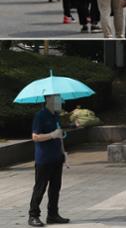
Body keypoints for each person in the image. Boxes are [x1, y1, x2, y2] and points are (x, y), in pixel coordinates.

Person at [28, 95, 70, 227]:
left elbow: (59, 135)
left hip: (56, 157)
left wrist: (63, 152)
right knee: (40, 188)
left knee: (55, 188)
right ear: (48, 100)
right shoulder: (40, 116)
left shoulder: (56, 115)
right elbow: (35, 137)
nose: (60, 101)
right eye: (57, 98)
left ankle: (53, 214)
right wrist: (51, 135)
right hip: (44, 159)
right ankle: (33, 215)